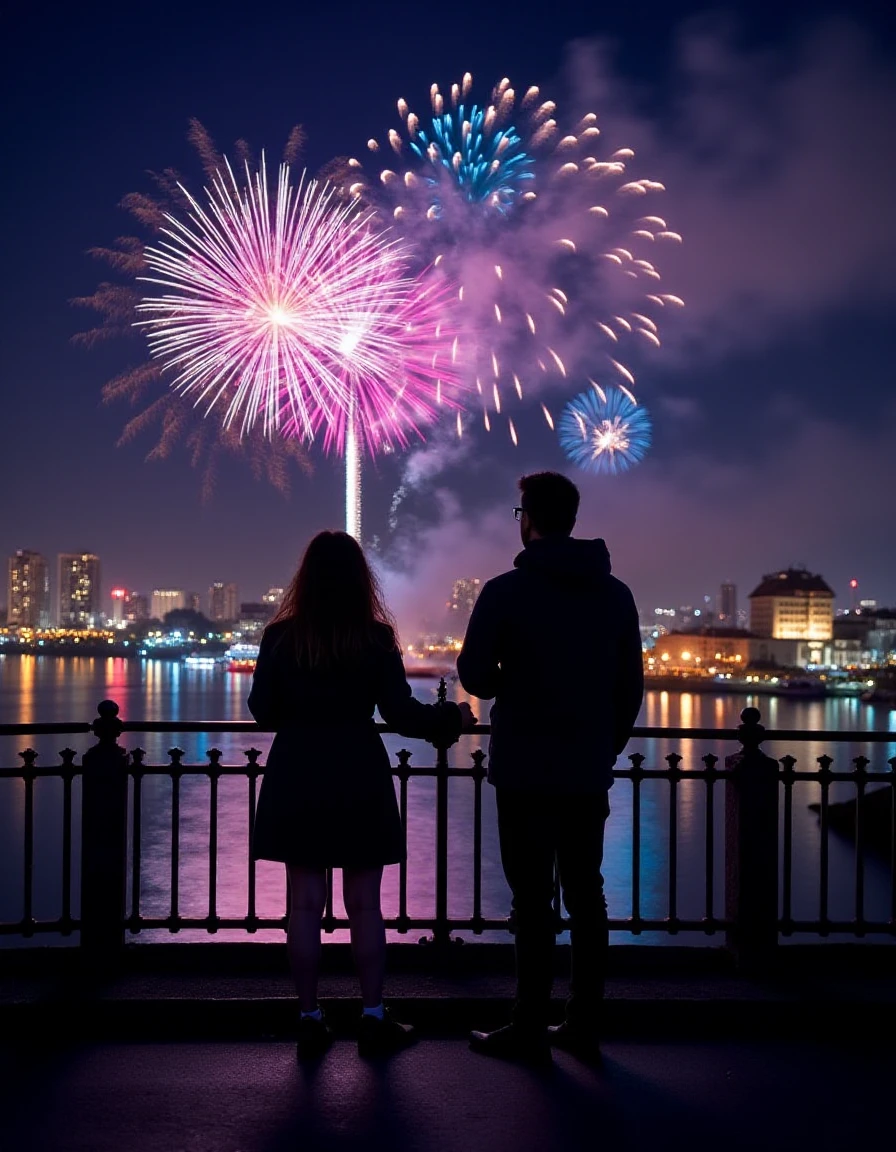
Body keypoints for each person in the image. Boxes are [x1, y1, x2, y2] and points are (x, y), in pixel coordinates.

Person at [248, 530, 477, 1060]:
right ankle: (373, 1017)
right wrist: (453, 717)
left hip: (298, 769)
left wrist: (304, 717)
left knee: (302, 906)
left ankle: (309, 1017)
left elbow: (264, 709)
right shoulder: (375, 638)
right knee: (364, 906)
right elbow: (400, 713)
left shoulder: (281, 636)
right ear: (360, 581)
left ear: (305, 578)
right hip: (357, 769)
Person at [457, 471, 644, 1065]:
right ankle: (584, 1022)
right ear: (573, 518)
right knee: (588, 896)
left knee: (532, 901)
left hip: (523, 769)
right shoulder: (616, 595)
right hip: (587, 769)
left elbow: (475, 675)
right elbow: (630, 688)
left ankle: (528, 1024)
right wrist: (604, 745)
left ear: (528, 519)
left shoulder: (506, 591)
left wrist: (517, 680)